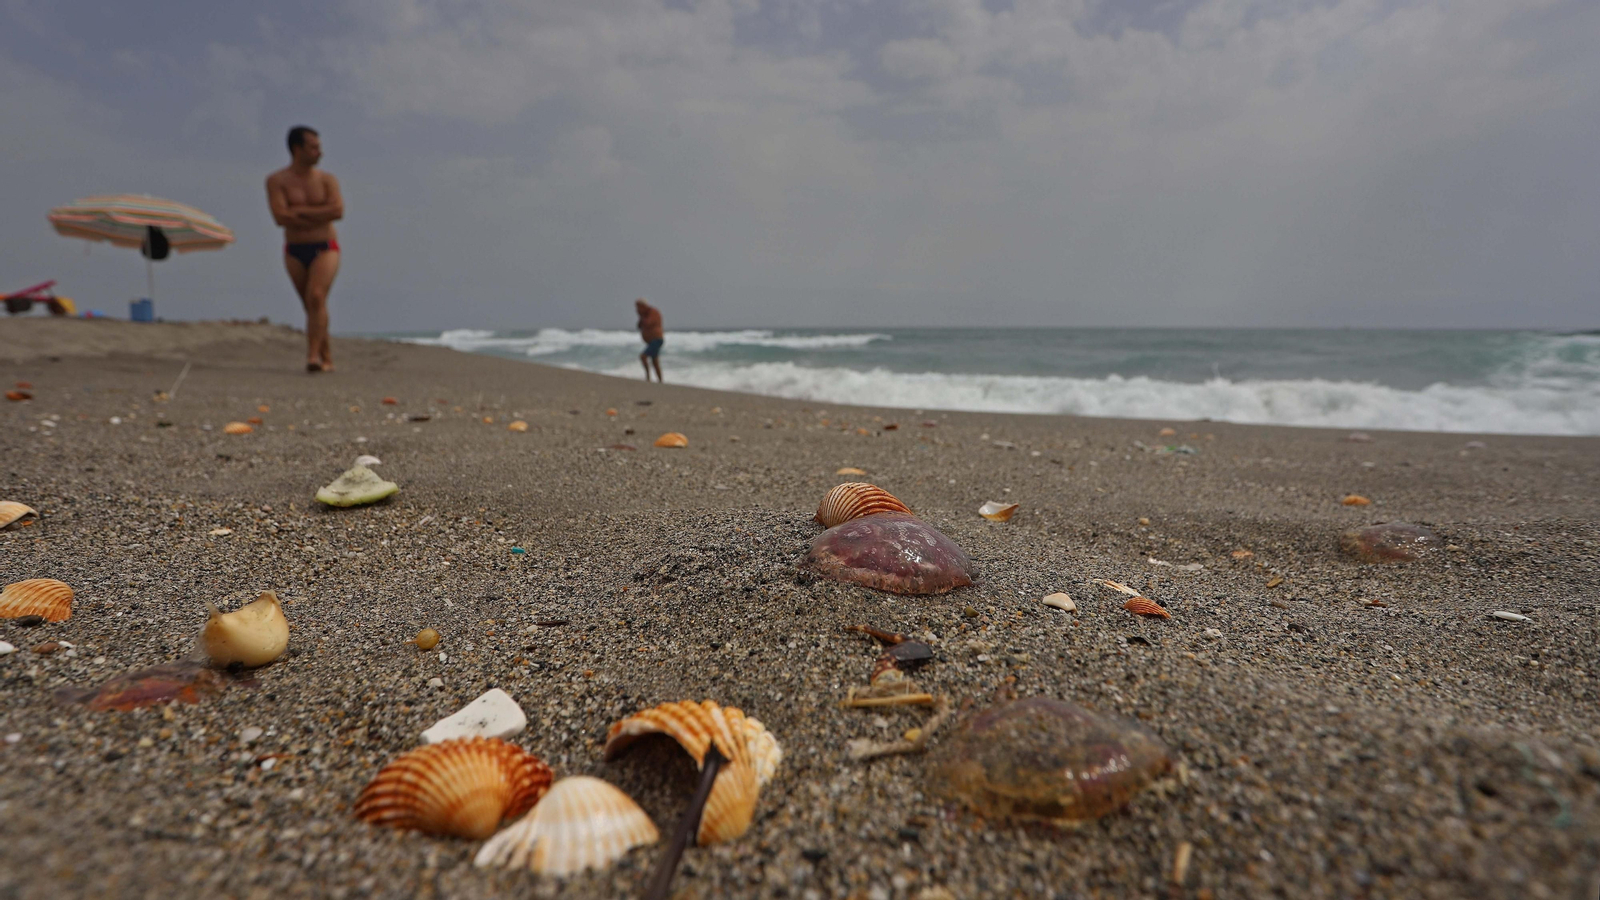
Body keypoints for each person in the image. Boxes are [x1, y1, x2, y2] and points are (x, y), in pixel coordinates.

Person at [266, 126, 344, 372]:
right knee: (310, 305)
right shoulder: (277, 181)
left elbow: (337, 211)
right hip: (295, 250)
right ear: (297, 149)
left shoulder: (326, 180)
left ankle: (313, 358)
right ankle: (327, 357)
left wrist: (299, 211)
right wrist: (318, 215)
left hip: (325, 247)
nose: (319, 152)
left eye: (319, 147)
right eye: (313, 147)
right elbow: (280, 216)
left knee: (317, 296)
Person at [635, 298, 664, 382]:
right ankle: (660, 380)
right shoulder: (644, 315)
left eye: (638, 307)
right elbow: (639, 326)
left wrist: (642, 316)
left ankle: (648, 377)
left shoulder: (653, 312)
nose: (637, 310)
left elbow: (649, 323)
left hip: (657, 339)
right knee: (655, 361)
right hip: (651, 341)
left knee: (643, 356)